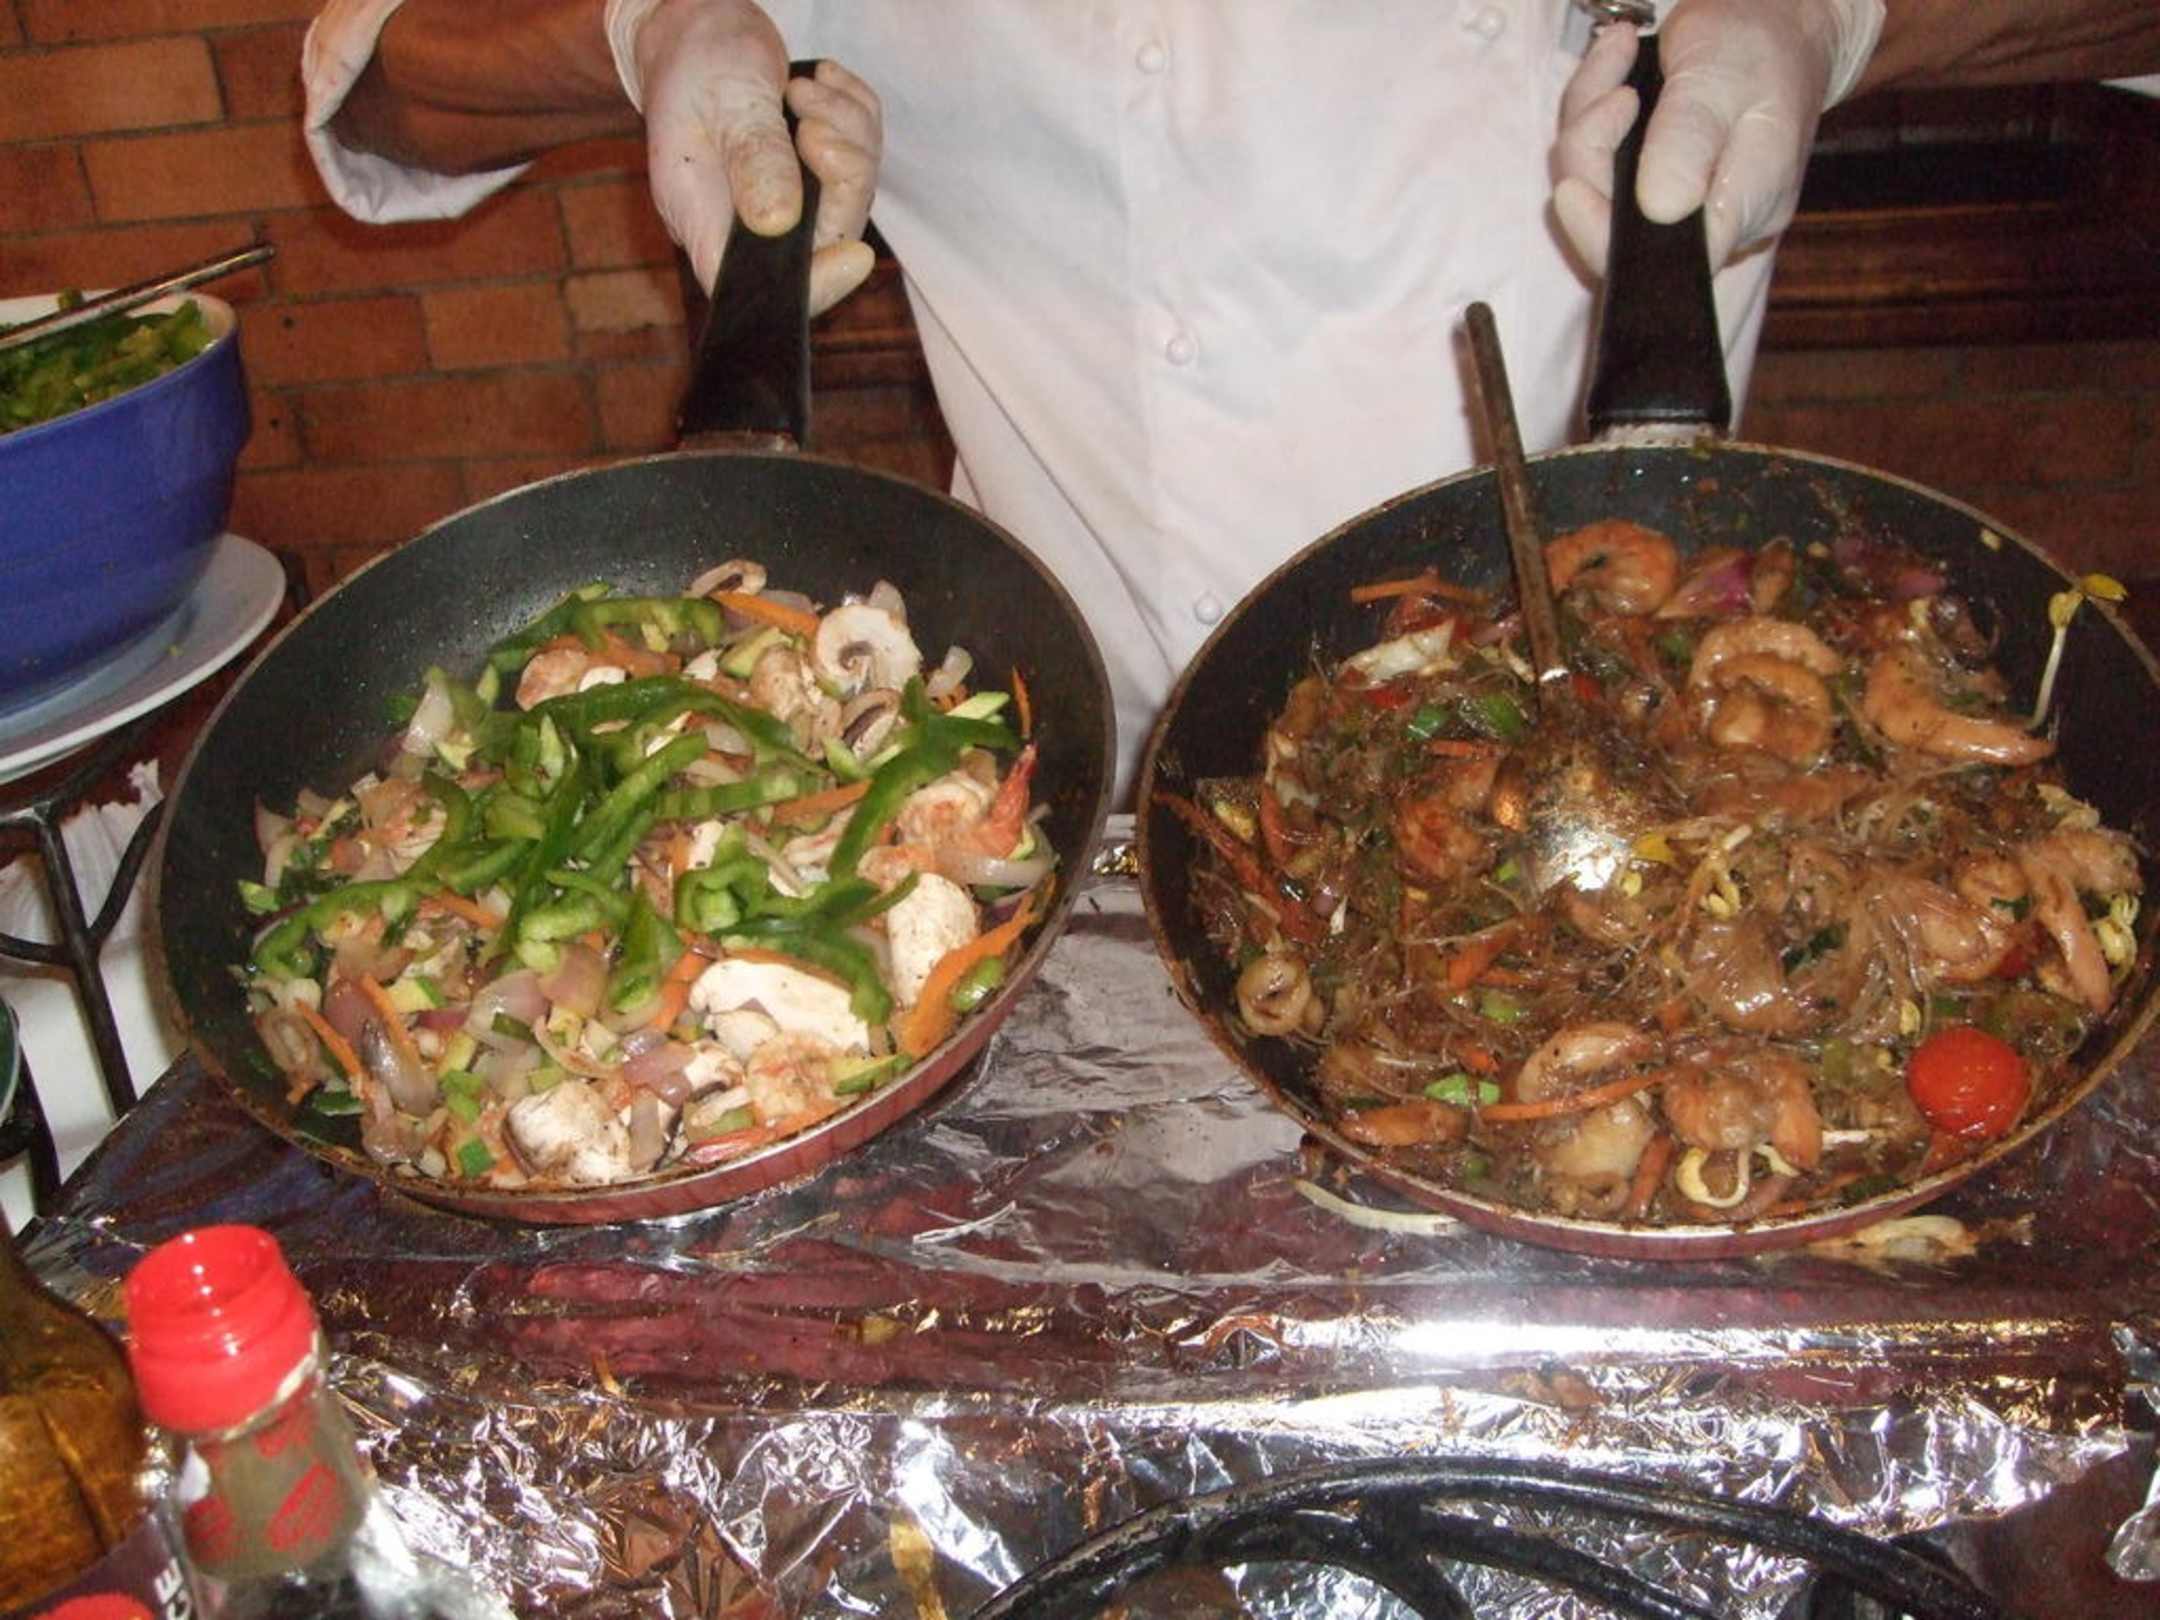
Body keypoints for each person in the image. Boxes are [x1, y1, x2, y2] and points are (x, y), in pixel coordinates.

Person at [302, 0, 2160, 797]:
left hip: (1631, 743)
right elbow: (382, 78)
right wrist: (653, 25)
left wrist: (1831, 18)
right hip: (1054, 787)